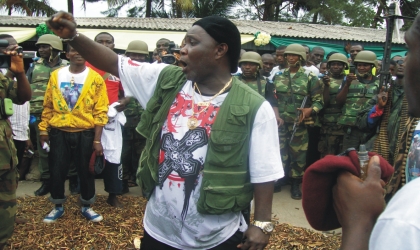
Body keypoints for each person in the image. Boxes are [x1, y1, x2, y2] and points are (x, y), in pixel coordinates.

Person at [47, 13, 283, 249]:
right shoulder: (167, 81)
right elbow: (113, 63)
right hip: (158, 230)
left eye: (192, 42)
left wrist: (262, 222)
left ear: (220, 50)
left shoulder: (254, 107)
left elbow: (264, 170)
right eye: (183, 43)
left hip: (215, 236)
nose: (183, 50)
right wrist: (73, 36)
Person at [333, 12, 420, 249]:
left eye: (411, 53)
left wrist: (357, 228)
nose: (404, 64)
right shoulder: (386, 94)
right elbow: (364, 123)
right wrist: (377, 110)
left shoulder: (408, 219)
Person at [39, 44, 108, 223]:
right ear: (67, 54)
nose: (79, 53)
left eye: (82, 50)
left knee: (86, 171)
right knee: (57, 169)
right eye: (74, 50)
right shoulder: (56, 75)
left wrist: (97, 139)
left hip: (85, 132)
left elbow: (100, 111)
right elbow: (48, 104)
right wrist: (43, 129)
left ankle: (86, 204)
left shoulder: (95, 78)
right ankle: (57, 205)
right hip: (59, 131)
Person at [26, 34, 78, 196]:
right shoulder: (34, 67)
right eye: (39, 47)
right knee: (44, 149)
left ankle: (73, 180)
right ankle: (47, 181)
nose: (40, 50)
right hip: (40, 113)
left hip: (63, 115)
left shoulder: (67, 67)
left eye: (44, 46)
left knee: (69, 148)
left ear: (55, 48)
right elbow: (26, 88)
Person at [272, 44, 323, 199]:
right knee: (280, 152)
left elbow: (318, 102)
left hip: (298, 123)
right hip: (280, 123)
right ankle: (280, 179)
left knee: (298, 155)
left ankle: (295, 183)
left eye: (294, 56)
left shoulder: (310, 77)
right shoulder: (278, 75)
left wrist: (309, 111)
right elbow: (272, 99)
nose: (290, 58)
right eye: (288, 56)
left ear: (301, 58)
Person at [87, 32, 128, 207]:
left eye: (108, 42)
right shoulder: (86, 65)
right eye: (100, 42)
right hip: (89, 118)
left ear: (113, 45)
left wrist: (125, 101)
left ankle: (113, 194)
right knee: (87, 156)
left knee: (113, 156)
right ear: (93, 44)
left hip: (111, 120)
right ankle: (87, 195)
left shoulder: (120, 66)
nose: (104, 44)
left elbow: (127, 92)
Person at [0, 35, 32, 250]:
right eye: (11, 49)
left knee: (6, 197)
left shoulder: (5, 76)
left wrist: (20, 74)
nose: (15, 52)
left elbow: (23, 96)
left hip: (4, 147)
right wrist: (11, 72)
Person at [336, 50, 380, 150]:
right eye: (359, 65)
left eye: (365, 65)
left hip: (370, 129)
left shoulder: (379, 83)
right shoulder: (348, 80)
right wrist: (347, 84)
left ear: (372, 66)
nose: (361, 68)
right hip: (351, 129)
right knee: (349, 158)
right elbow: (339, 101)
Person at [121, 40, 149, 193]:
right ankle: (123, 183)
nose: (137, 57)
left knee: (143, 155)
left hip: (144, 121)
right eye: (134, 54)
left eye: (141, 55)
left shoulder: (150, 72)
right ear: (127, 55)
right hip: (124, 120)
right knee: (123, 154)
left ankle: (143, 184)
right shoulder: (119, 72)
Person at [318, 53, 348, 157]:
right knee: (327, 154)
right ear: (329, 66)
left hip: (344, 124)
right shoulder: (321, 81)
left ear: (344, 66)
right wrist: (326, 86)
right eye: (333, 64)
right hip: (327, 125)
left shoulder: (349, 80)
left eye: (339, 64)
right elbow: (323, 103)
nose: (336, 67)